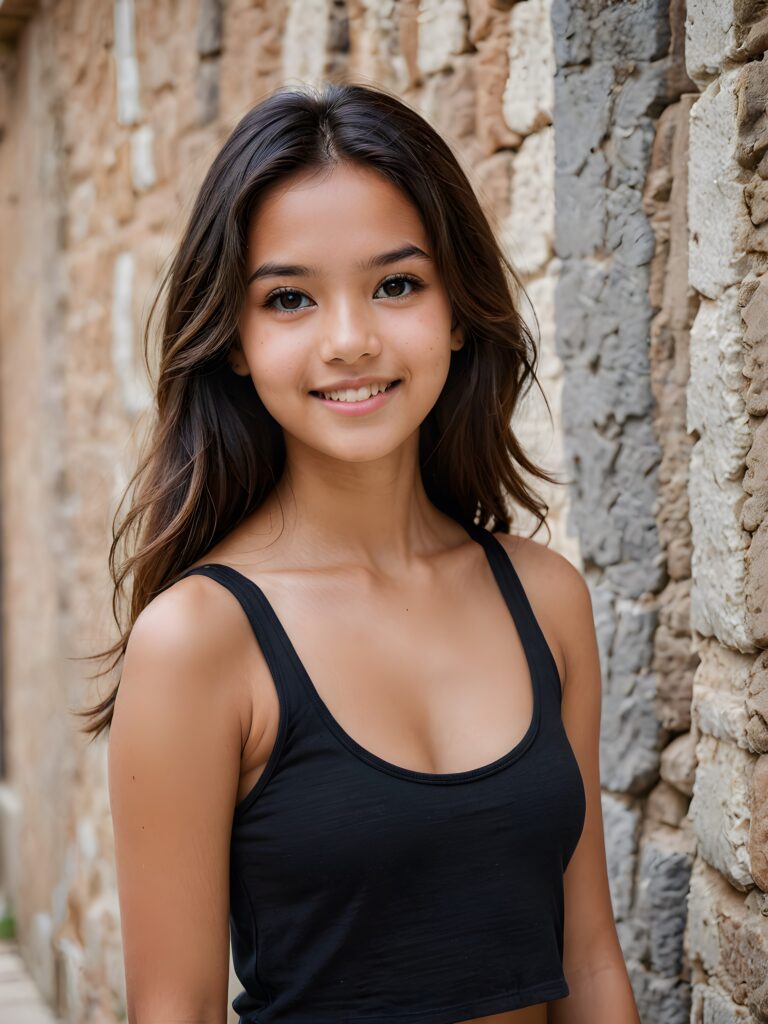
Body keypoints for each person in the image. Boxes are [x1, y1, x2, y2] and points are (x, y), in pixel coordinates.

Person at [77, 81, 641, 1024]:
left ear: (458, 313)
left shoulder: (545, 600)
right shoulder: (200, 642)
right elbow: (173, 1010)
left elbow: (588, 959)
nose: (350, 340)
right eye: (290, 298)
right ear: (238, 343)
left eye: (396, 284)